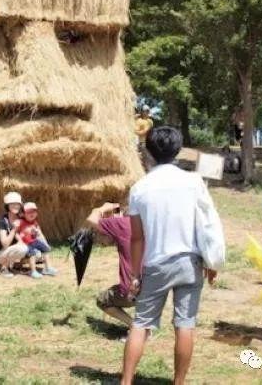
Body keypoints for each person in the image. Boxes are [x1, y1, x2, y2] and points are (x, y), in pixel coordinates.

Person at [121, 126, 218, 385]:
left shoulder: (139, 188)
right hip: (190, 261)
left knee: (141, 323)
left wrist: (134, 273)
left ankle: (126, 381)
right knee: (185, 324)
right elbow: (207, 224)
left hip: (156, 263)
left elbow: (137, 237)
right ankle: (179, 382)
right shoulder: (194, 181)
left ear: (148, 151)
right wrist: (212, 260)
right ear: (177, 150)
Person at [86, 201, 135, 335]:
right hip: (157, 288)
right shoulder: (151, 225)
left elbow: (91, 219)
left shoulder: (124, 223)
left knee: (103, 300)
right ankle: (145, 324)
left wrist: (102, 208)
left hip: (133, 290)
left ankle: (136, 327)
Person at [0, 191, 28, 277]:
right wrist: (14, 229)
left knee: (36, 253)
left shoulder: (21, 219)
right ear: (7, 205)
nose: (16, 206)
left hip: (13, 252)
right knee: (22, 249)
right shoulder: (3, 221)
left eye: (17, 204)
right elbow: (5, 244)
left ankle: (17, 266)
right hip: (1, 256)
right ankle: (3, 268)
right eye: (12, 204)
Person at [17, 202, 58, 279]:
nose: (32, 214)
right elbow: (16, 231)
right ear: (23, 214)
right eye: (29, 212)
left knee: (45, 249)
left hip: (33, 241)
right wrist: (20, 238)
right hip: (25, 243)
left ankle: (47, 268)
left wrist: (43, 241)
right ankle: (33, 271)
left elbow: (38, 234)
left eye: (34, 212)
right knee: (32, 253)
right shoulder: (21, 222)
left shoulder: (35, 223)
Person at [134, 105, 154, 170]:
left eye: (148, 111)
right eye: (146, 111)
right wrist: (144, 131)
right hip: (142, 143)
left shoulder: (150, 121)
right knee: (146, 160)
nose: (147, 112)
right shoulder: (138, 121)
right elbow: (135, 132)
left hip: (150, 142)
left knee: (151, 159)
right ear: (142, 112)